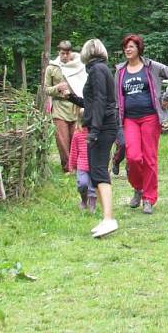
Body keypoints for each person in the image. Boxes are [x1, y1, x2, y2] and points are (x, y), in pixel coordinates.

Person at [60, 38, 119, 238]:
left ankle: (109, 219)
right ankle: (105, 218)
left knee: (100, 171)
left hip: (103, 127)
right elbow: (91, 102)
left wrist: (94, 130)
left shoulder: (96, 70)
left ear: (87, 52)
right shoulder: (100, 69)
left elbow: (101, 101)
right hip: (102, 125)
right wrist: (70, 97)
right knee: (95, 172)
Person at [115, 34, 168, 215]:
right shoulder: (120, 71)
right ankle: (138, 187)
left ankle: (149, 199)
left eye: (131, 47)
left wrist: (166, 96)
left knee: (150, 158)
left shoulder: (151, 66)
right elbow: (116, 97)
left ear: (139, 49)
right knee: (134, 157)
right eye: (126, 47)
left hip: (150, 117)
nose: (128, 50)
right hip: (129, 119)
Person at [44, 41, 86, 172]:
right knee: (62, 139)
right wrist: (57, 88)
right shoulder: (52, 67)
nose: (65, 56)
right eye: (63, 53)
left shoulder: (78, 65)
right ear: (58, 52)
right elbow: (46, 89)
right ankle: (68, 168)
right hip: (59, 107)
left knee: (76, 137)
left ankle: (79, 165)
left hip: (76, 107)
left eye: (68, 53)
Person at [68, 111, 96, 213]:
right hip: (82, 166)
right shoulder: (77, 134)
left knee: (93, 187)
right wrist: (72, 165)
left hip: (94, 165)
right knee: (82, 184)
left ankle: (92, 204)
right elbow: (74, 151)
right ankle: (84, 200)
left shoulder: (96, 133)